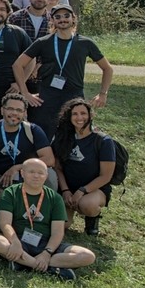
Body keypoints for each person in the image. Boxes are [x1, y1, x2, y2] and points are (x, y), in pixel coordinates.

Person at [13, 5, 114, 134]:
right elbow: (17, 65)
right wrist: (25, 93)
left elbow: (107, 69)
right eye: (58, 17)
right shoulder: (43, 42)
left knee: (76, 133)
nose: (62, 19)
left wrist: (103, 94)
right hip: (47, 97)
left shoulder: (85, 43)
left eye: (66, 16)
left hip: (74, 96)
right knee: (43, 135)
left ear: (73, 18)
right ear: (53, 20)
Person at [0, 159, 95, 280]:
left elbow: (57, 232)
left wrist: (47, 253)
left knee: (87, 256)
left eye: (40, 173)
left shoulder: (55, 198)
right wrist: (15, 242)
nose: (36, 176)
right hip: (20, 240)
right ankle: (45, 267)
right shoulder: (10, 193)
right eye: (31, 172)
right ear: (22, 173)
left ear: (46, 176)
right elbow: (5, 223)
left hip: (47, 243)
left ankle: (23, 263)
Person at [0, 93, 58, 203]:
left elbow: (50, 160)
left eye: (19, 110)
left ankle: (42, 208)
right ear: (2, 110)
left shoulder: (33, 130)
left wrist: (17, 167)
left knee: (50, 175)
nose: (14, 113)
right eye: (10, 109)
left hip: (22, 175)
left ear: (25, 113)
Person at [51, 98, 118, 236]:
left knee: (88, 205)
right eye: (74, 114)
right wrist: (65, 190)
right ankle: (68, 209)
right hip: (67, 189)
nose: (79, 117)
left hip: (93, 190)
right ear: (69, 117)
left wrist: (82, 191)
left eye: (83, 113)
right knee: (63, 224)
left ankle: (92, 219)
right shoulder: (62, 137)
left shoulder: (103, 141)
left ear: (90, 115)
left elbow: (106, 175)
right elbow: (57, 168)